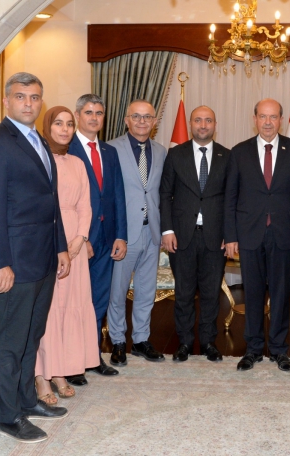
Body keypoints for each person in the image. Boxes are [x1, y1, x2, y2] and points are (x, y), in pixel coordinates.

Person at [0, 72, 70, 443]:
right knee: (11, 340)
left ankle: (27, 400)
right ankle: (9, 416)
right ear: (7, 101)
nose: (29, 103)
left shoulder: (38, 139)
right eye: (21, 96)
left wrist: (60, 246)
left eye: (34, 97)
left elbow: (50, 202)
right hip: (14, 261)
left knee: (32, 335)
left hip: (43, 257)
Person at [225, 98, 290, 372]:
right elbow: (230, 197)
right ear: (255, 119)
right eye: (263, 116)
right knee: (251, 294)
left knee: (281, 293)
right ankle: (252, 349)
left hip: (284, 233)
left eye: (273, 117)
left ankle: (278, 349)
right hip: (249, 234)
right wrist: (230, 235)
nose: (268, 122)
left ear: (281, 120)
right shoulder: (239, 152)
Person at [34, 106, 100, 404]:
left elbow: (86, 205)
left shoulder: (77, 162)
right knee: (50, 310)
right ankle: (42, 377)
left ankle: (60, 371)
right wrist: (61, 243)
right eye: (58, 123)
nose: (64, 129)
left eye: (69, 124)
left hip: (76, 242)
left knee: (72, 306)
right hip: (47, 239)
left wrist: (80, 238)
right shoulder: (38, 159)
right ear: (47, 126)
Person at [160, 106, 231, 362]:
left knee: (211, 293)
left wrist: (230, 234)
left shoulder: (227, 156)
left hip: (216, 237)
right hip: (181, 236)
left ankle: (209, 341)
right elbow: (165, 194)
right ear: (190, 124)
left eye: (208, 120)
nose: (203, 125)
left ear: (215, 124)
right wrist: (167, 229)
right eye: (198, 120)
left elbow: (232, 199)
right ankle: (185, 342)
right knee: (184, 293)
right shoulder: (175, 154)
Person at [66, 94, 127, 384]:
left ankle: (93, 357)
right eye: (88, 112)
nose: (94, 117)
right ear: (78, 115)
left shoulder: (109, 151)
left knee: (98, 300)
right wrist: (81, 235)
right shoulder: (66, 148)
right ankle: (73, 362)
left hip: (106, 238)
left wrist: (121, 235)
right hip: (79, 241)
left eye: (99, 113)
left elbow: (117, 196)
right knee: (75, 301)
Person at [108, 100, 167, 364]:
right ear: (127, 120)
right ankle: (118, 341)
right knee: (117, 292)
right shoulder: (111, 149)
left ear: (154, 121)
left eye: (147, 117)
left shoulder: (161, 151)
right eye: (136, 116)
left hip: (151, 232)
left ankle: (141, 340)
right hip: (123, 234)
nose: (142, 121)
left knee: (146, 290)